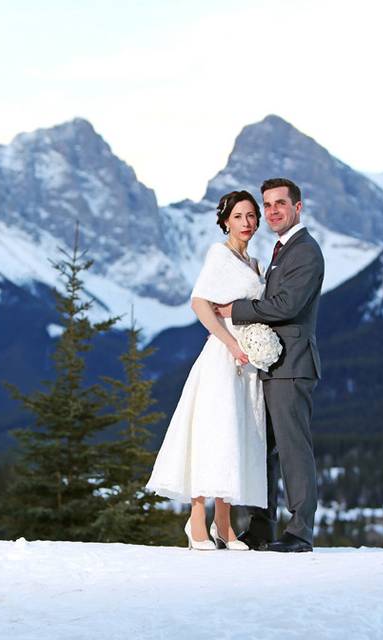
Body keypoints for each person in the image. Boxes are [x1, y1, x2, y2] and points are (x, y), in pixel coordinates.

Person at [146, 190, 267, 551]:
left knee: (237, 434)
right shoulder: (220, 255)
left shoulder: (255, 264)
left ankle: (224, 523)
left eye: (251, 216)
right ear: (225, 221)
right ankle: (197, 518)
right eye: (239, 216)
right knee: (213, 432)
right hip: (222, 356)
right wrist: (230, 344)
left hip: (248, 363)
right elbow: (199, 302)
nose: (247, 223)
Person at [214, 177, 324, 553]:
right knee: (264, 449)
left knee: (294, 449)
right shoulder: (281, 250)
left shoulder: (305, 251)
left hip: (293, 365)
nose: (273, 210)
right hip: (272, 365)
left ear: (298, 207)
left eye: (281, 203)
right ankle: (261, 526)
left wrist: (235, 311)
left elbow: (286, 306)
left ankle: (301, 531)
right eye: (268, 205)